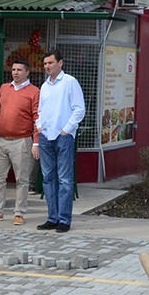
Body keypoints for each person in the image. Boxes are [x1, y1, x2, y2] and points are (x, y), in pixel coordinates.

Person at [0, 57, 40, 225]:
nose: (15, 73)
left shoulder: (34, 92)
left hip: (21, 141)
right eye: (13, 69)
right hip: (1, 140)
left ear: (27, 72)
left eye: (19, 70)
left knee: (22, 180)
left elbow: (37, 118)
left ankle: (19, 213)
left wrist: (36, 142)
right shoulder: (4, 88)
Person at [34, 49, 85, 232]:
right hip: (46, 136)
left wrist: (66, 130)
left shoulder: (70, 82)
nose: (47, 66)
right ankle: (52, 217)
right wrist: (39, 126)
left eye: (50, 63)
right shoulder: (45, 86)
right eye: (45, 63)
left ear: (60, 63)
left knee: (64, 180)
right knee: (48, 179)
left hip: (63, 138)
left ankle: (64, 220)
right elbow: (39, 111)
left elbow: (79, 109)